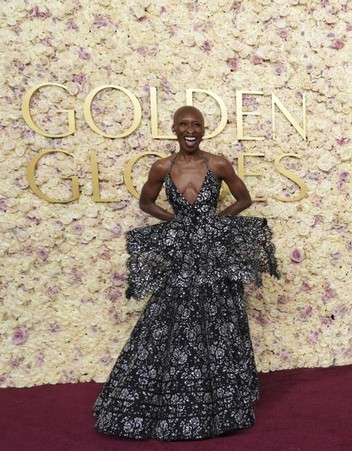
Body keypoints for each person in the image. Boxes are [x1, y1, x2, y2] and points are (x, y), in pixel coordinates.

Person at [93, 106, 280, 440]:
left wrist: (214, 222)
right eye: (183, 124)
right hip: (181, 252)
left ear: (204, 130)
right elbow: (146, 203)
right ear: (174, 129)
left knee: (221, 316)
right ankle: (167, 395)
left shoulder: (218, 163)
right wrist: (175, 223)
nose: (190, 130)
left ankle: (225, 397)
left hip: (212, 254)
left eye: (196, 125)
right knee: (170, 316)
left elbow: (244, 198)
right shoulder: (162, 167)